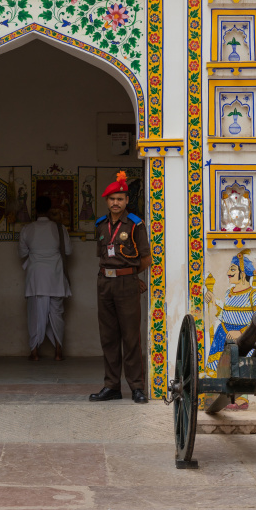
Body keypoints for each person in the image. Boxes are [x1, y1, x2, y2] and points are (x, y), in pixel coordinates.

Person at [89, 171, 151, 403]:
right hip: (105, 283)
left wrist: (133, 276)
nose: (116, 203)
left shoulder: (135, 225)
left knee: (130, 337)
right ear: (107, 201)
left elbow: (146, 258)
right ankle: (111, 386)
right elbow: (102, 256)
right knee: (108, 337)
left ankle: (136, 387)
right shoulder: (101, 225)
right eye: (112, 199)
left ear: (126, 201)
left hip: (126, 284)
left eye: (120, 199)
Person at [204, 249, 256, 409]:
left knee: (242, 363)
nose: (228, 273)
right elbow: (224, 314)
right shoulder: (228, 292)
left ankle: (241, 398)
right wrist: (213, 301)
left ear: (243, 273)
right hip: (223, 335)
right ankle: (215, 394)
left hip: (246, 336)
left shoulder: (255, 293)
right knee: (218, 365)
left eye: (232, 269)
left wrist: (242, 331)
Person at [19, 195, 72, 361]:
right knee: (56, 314)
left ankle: (34, 353)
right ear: (50, 210)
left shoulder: (27, 229)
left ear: (35, 210)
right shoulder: (59, 228)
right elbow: (68, 251)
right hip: (55, 277)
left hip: (36, 278)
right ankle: (58, 352)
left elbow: (22, 253)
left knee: (35, 315)